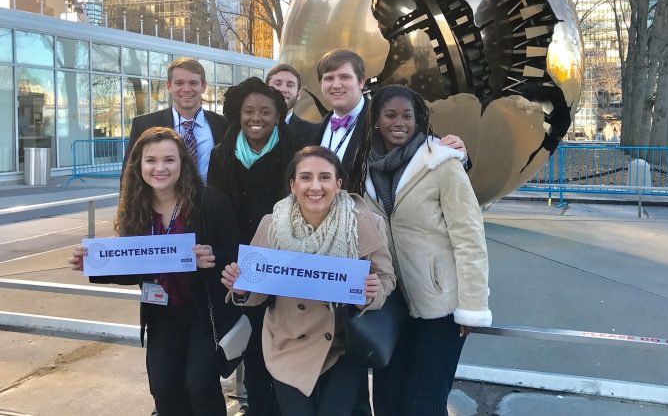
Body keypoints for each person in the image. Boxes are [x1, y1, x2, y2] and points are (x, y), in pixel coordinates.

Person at [69, 127, 242, 416]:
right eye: (151, 160)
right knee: (163, 387)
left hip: (205, 310)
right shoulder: (136, 209)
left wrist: (213, 257)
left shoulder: (210, 202)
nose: (159, 168)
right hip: (161, 311)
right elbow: (135, 268)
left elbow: (237, 253)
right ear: (139, 165)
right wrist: (96, 264)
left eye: (169, 160)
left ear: (182, 164)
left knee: (199, 385)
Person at [348, 85, 491, 416]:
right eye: (390, 115)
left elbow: (469, 236)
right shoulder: (364, 167)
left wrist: (472, 304)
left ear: (419, 120)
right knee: (386, 399)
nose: (399, 122)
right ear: (376, 120)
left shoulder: (442, 163)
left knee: (423, 402)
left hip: (439, 305)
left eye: (407, 116)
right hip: (391, 302)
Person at [221, 146, 396, 416]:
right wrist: (241, 287)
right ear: (293, 185)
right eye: (306, 177)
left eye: (325, 177)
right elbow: (257, 290)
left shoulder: (363, 222)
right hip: (288, 341)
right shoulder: (272, 224)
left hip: (342, 344)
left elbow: (386, 277)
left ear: (338, 184)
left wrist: (374, 291)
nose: (315, 186)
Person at [208, 77, 296, 416]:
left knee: (286, 348)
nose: (255, 118)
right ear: (237, 113)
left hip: (283, 264)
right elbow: (215, 209)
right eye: (248, 111)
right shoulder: (222, 154)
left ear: (277, 116)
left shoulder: (293, 151)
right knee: (255, 352)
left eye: (264, 111)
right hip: (240, 268)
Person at [313, 49, 469, 176]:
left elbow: (428, 147)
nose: (336, 85)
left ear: (361, 82)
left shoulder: (386, 119)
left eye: (345, 77)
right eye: (329, 79)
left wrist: (458, 155)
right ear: (321, 84)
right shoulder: (320, 127)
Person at [124, 57, 227, 183]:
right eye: (179, 83)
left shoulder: (223, 125)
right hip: (162, 202)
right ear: (169, 86)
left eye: (193, 83)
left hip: (212, 201)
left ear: (203, 87)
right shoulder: (144, 125)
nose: (186, 89)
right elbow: (128, 176)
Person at [266, 63, 318, 148]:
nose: (283, 89)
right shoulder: (245, 128)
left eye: (290, 85)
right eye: (278, 84)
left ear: (299, 94)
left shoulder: (314, 132)